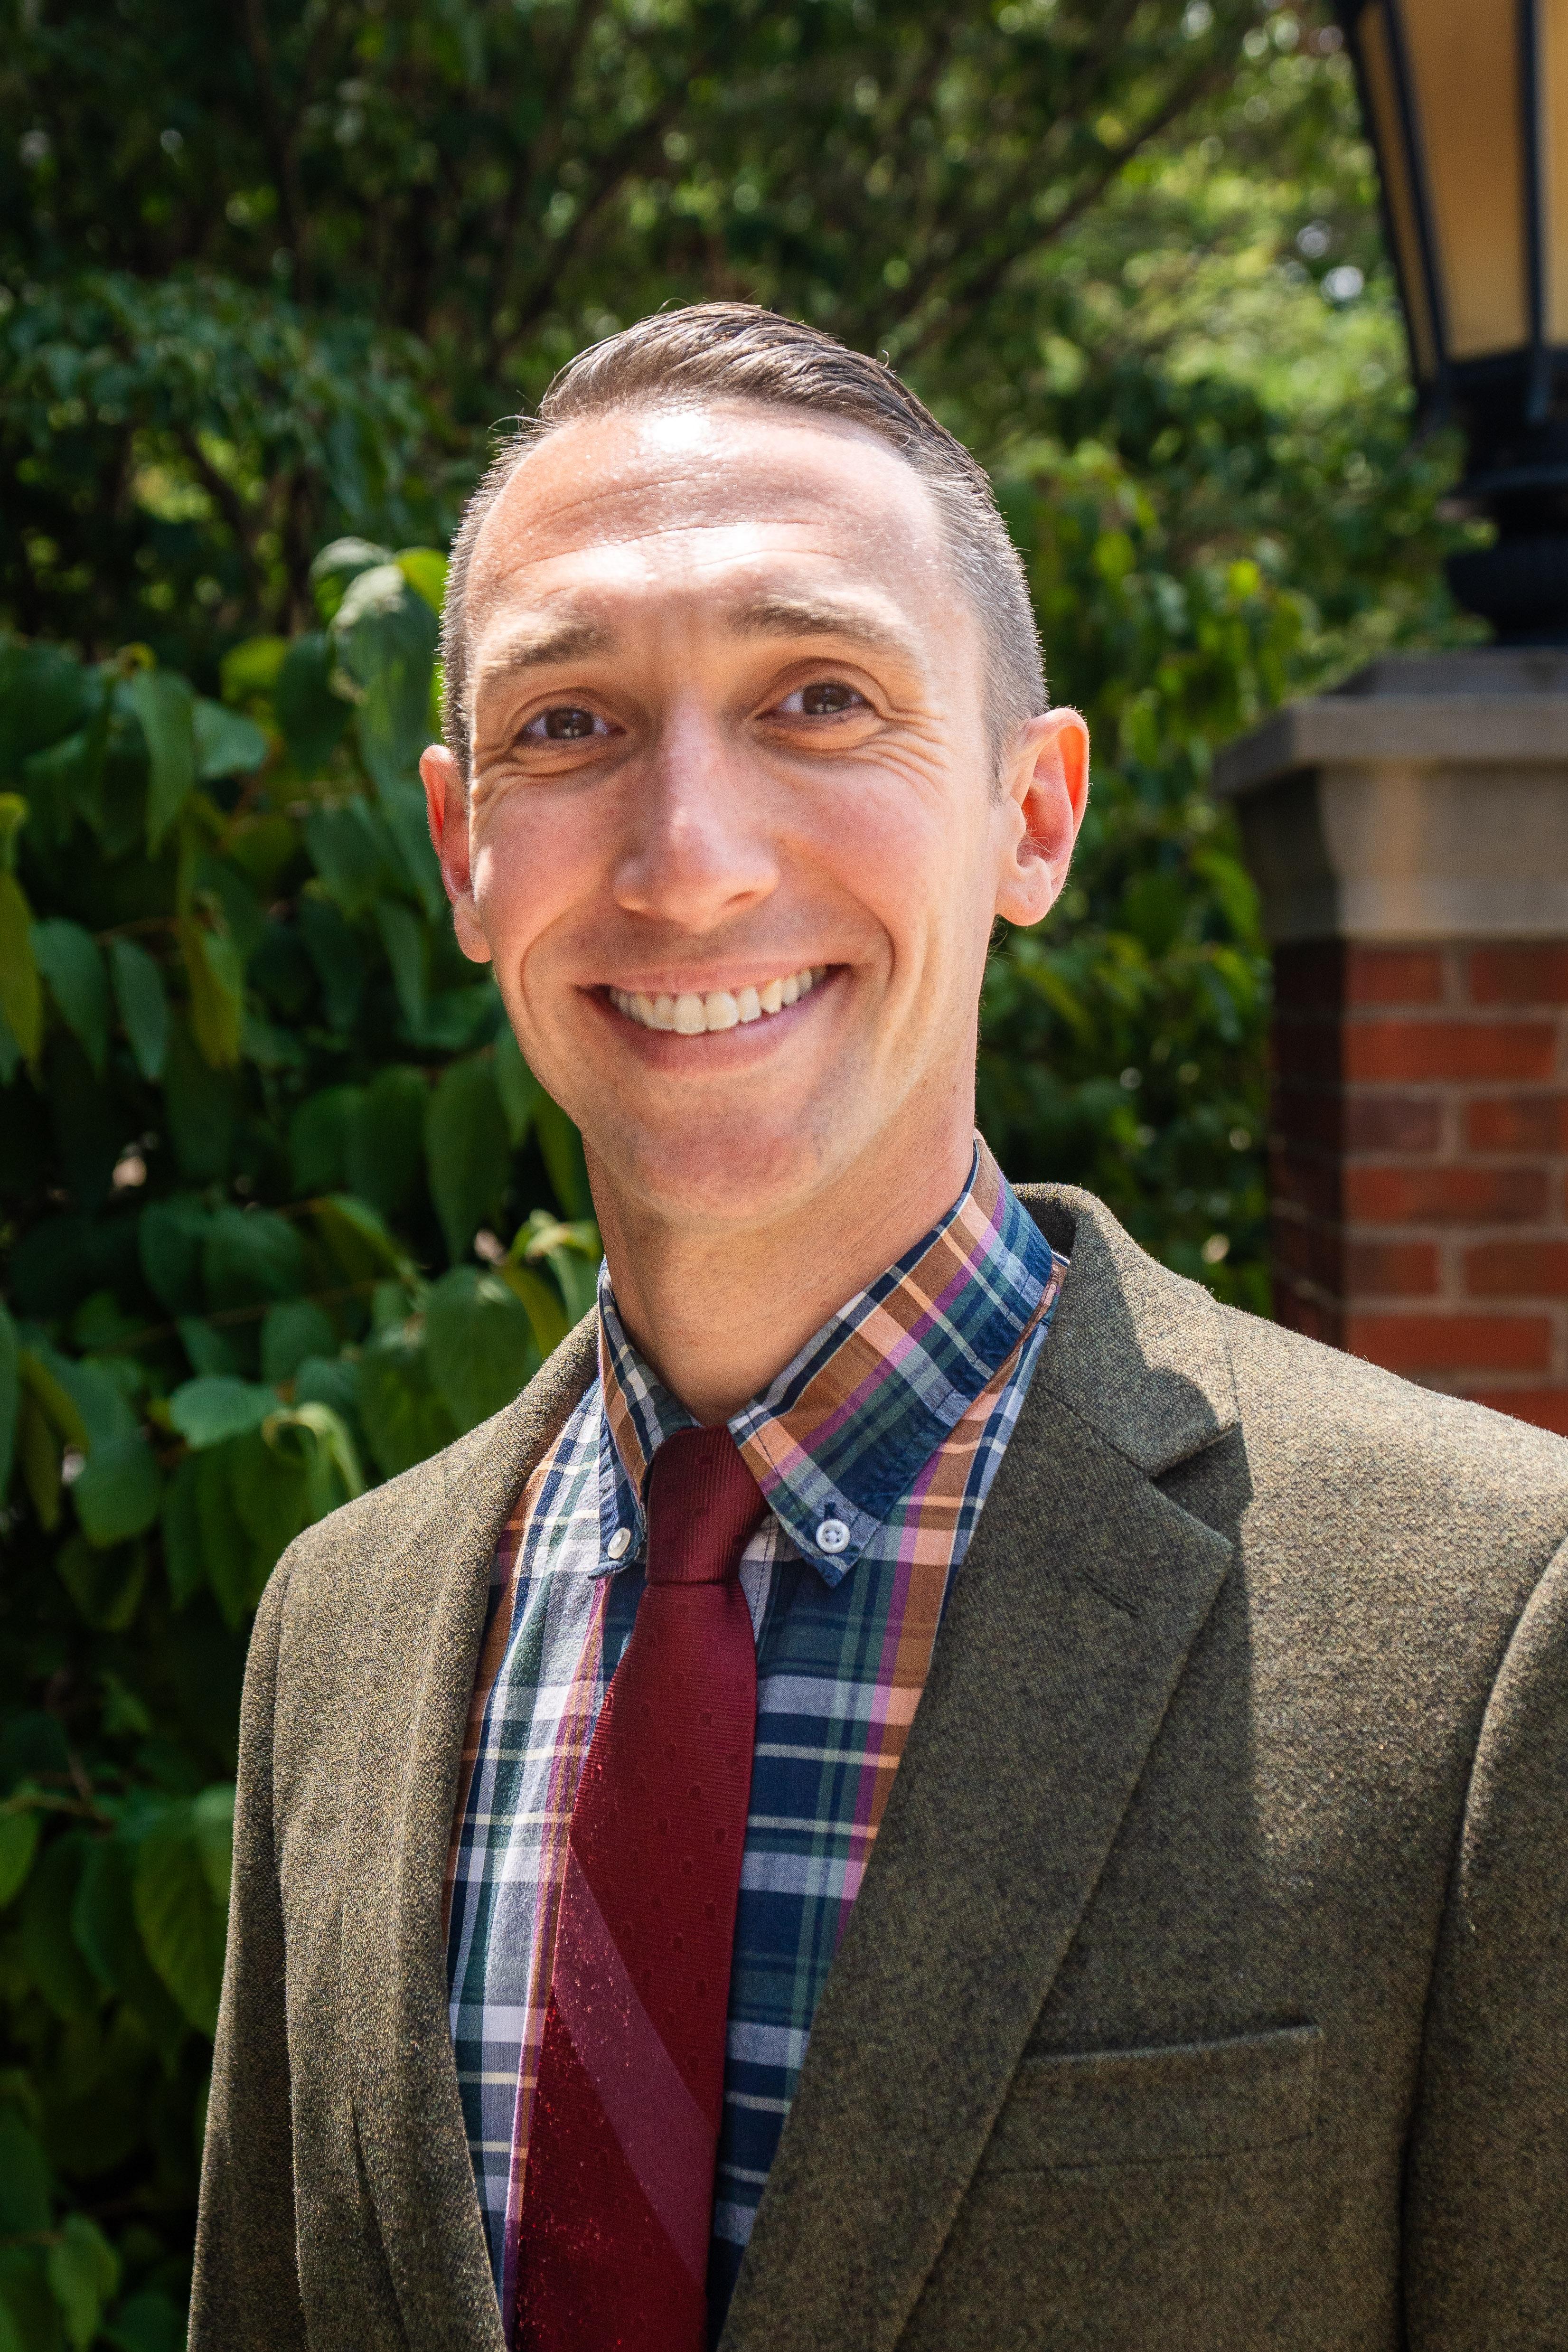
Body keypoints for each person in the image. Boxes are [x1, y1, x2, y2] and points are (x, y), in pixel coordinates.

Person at [189, 305, 1568, 2352]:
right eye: (565, 725)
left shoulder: (1491, 1629)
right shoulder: (344, 1628)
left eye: (818, 697)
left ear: (1031, 815)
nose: (687, 863)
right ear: (464, 844)